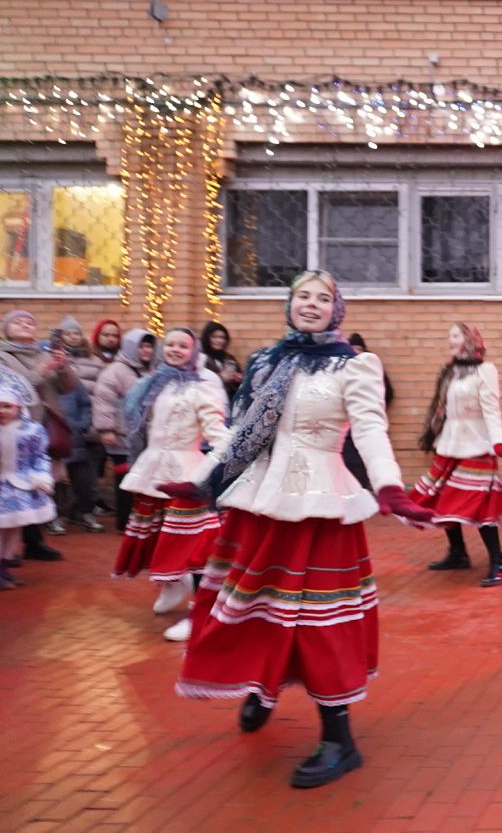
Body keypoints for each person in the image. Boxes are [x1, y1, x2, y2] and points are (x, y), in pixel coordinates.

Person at [162, 270, 433, 789]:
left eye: (323, 297)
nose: (311, 304)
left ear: (338, 309)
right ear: (289, 305)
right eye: (302, 296)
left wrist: (391, 489)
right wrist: (201, 482)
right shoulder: (268, 360)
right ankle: (262, 688)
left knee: (318, 624)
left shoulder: (355, 365)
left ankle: (340, 739)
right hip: (260, 503)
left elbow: (372, 429)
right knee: (254, 609)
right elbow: (243, 434)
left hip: (317, 508)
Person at [111, 328, 230, 641]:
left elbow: (219, 435)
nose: (176, 350)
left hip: (185, 472)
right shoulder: (152, 384)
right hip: (153, 471)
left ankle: (200, 608)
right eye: (171, 344)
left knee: (196, 544)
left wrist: (210, 471)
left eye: (183, 346)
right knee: (157, 537)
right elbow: (137, 429)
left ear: (193, 351)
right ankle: (173, 585)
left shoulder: (202, 387)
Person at [410, 323, 502, 587]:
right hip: (450, 443)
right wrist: (434, 436)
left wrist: (499, 444)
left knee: (479, 504)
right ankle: (458, 553)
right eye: (449, 335)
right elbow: (442, 410)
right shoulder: (450, 372)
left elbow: (491, 409)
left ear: (470, 340)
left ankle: (499, 563)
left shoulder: (485, 370)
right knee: (444, 500)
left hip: (477, 445)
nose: (450, 340)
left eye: (455, 336)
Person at [0, 309, 79, 561]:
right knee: (11, 486)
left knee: (39, 483)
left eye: (30, 322)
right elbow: (15, 388)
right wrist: (44, 370)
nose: (26, 325)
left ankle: (34, 541)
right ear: (6, 329)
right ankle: (7, 550)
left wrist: (63, 366)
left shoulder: (43, 354)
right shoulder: (2, 357)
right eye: (19, 322)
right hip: (13, 428)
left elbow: (67, 387)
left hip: (44, 427)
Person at [92, 327, 155, 532]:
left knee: (142, 477)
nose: (146, 350)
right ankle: (124, 522)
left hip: (144, 436)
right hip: (121, 437)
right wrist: (106, 429)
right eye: (142, 346)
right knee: (124, 479)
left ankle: (141, 518)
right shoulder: (115, 371)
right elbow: (103, 402)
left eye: (149, 346)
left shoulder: (151, 370)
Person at [52, 317, 107, 532]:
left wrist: (83, 424)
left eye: (76, 333)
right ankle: (54, 516)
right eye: (68, 334)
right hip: (55, 434)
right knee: (55, 481)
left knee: (85, 480)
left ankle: (83, 512)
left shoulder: (77, 377)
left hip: (78, 435)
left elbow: (85, 402)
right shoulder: (46, 373)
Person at [0, 369, 48, 590]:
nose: (2, 411)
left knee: (13, 528)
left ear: (19, 407)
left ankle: (5, 567)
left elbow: (39, 457)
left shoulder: (30, 431)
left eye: (7, 406)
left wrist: (41, 476)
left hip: (18, 487)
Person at [341, 333, 393, 489]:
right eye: (353, 348)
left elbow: (387, 392)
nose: (356, 351)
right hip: (344, 429)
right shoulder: (342, 367)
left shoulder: (370, 367)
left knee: (362, 463)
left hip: (365, 424)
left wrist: (373, 408)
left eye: (359, 348)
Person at [198, 320, 245, 401]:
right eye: (214, 337)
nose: (219, 341)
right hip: (208, 401)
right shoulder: (199, 358)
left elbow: (240, 382)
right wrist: (221, 377)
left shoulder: (230, 358)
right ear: (207, 338)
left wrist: (239, 379)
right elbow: (196, 381)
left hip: (228, 402)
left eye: (222, 338)